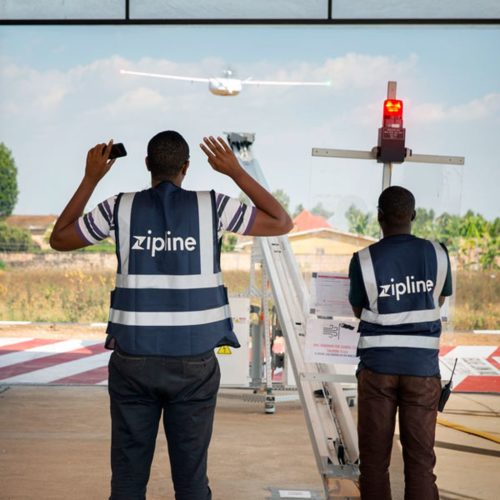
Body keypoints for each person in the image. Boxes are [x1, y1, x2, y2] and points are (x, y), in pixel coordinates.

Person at [50, 131, 293, 500]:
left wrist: (91, 178)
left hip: (133, 361)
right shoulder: (213, 206)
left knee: (128, 479)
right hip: (193, 364)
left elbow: (60, 237)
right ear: (186, 167)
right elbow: (281, 222)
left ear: (147, 165)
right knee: (192, 480)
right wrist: (236, 172)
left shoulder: (119, 206)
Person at [348, 186, 452, 500]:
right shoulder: (437, 253)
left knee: (375, 460)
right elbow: (439, 298)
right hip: (422, 371)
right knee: (421, 461)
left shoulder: (364, 260)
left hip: (378, 370)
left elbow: (358, 309)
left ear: (379, 217)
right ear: (414, 215)